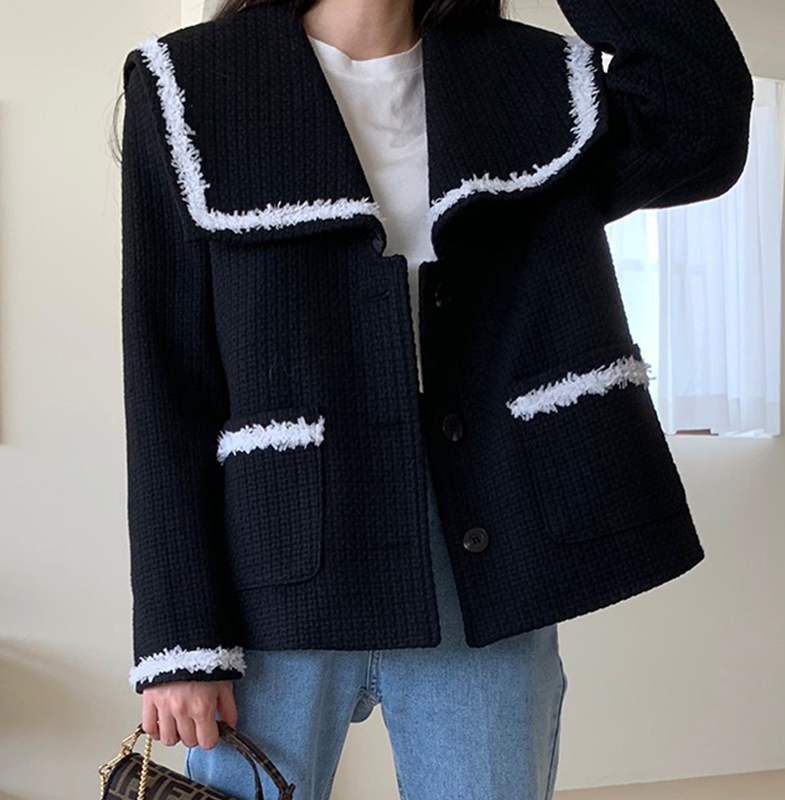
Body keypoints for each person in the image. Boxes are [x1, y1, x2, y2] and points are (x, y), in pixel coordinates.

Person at [114, 0, 752, 797]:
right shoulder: (189, 82)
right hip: (278, 562)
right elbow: (166, 375)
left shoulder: (528, 78)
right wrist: (180, 640)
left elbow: (700, 113)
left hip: (484, 545)